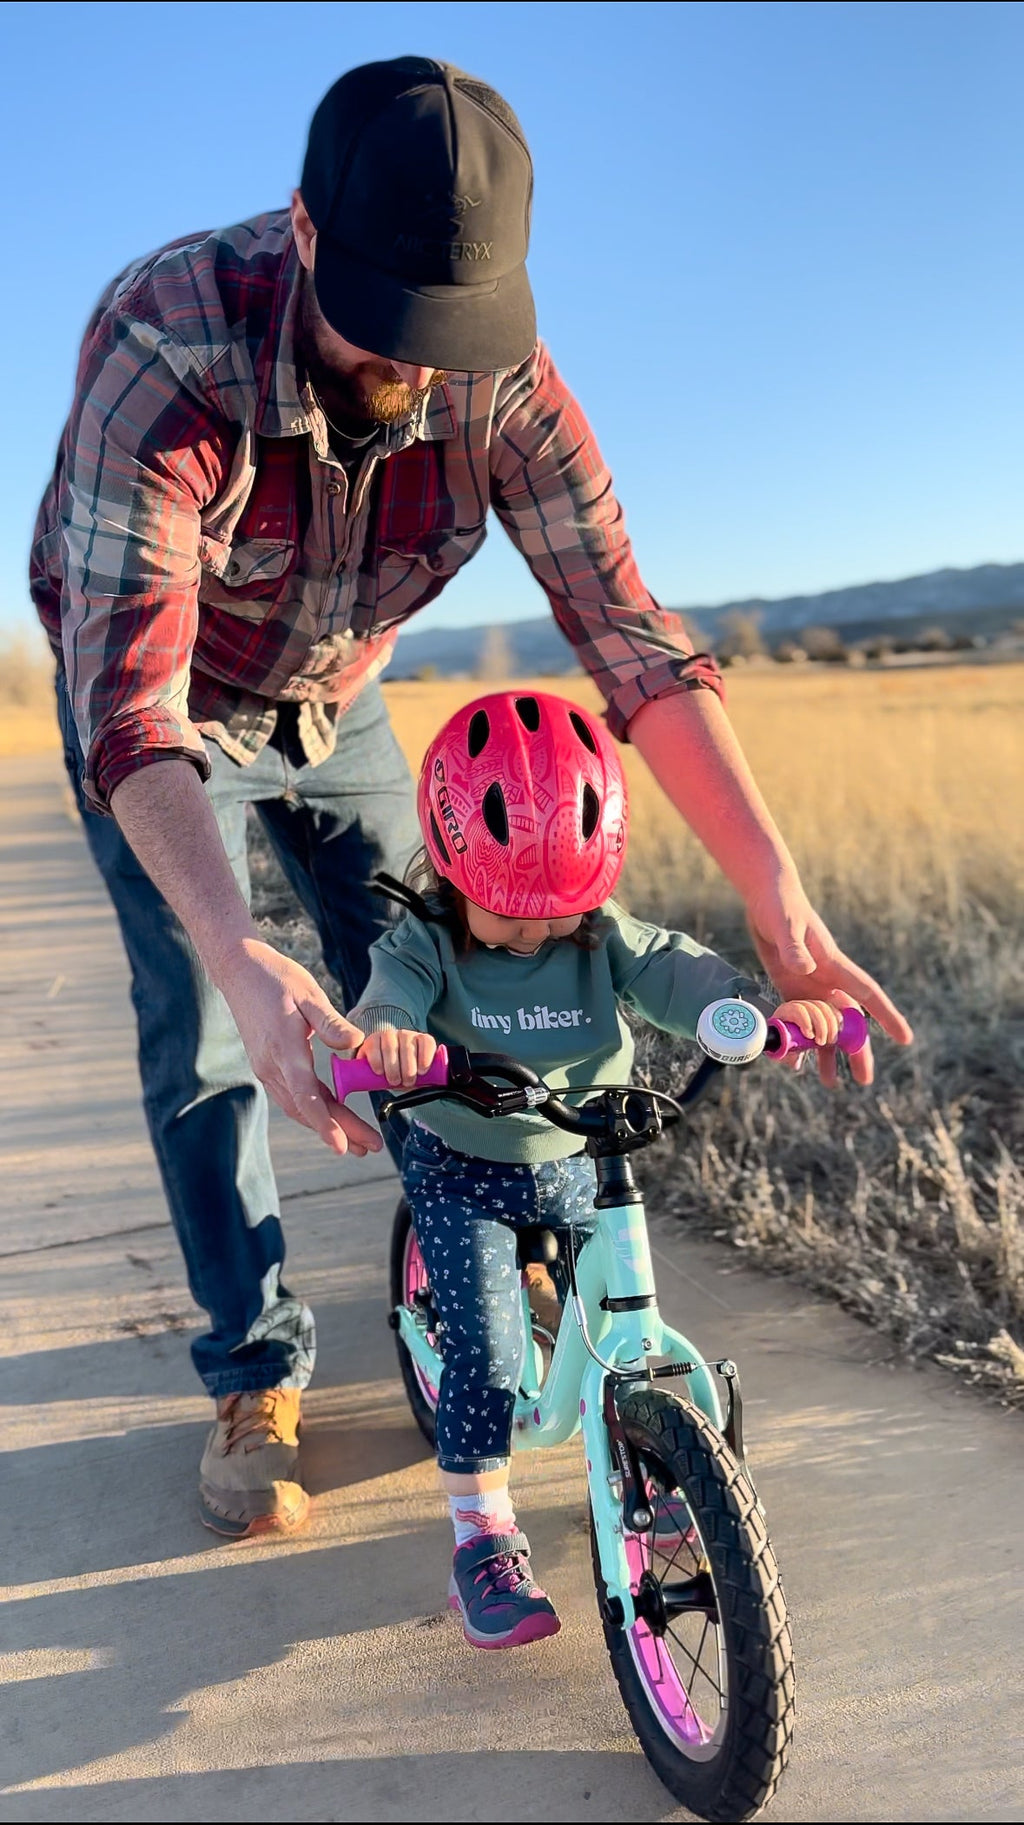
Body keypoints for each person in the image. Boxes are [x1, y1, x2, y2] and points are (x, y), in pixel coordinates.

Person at [30, 55, 911, 1541]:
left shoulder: (500, 375)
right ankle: (255, 1370)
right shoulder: (165, 342)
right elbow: (130, 709)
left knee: (439, 975)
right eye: (397, 331)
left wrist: (777, 893)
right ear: (308, 233)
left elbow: (630, 634)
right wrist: (249, 960)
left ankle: (488, 1250)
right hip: (168, 714)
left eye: (459, 334)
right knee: (209, 1030)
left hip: (342, 693)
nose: (427, 371)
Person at [347, 690, 846, 1646]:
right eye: (511, 910)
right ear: (452, 862)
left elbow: (674, 968)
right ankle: (482, 1539)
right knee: (488, 1355)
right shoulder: (425, 942)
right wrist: (391, 1036)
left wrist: (755, 1016)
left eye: (560, 907)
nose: (537, 931)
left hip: (582, 1153)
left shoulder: (595, 933)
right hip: (464, 1165)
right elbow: (388, 999)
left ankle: (663, 1459)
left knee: (625, 1315)